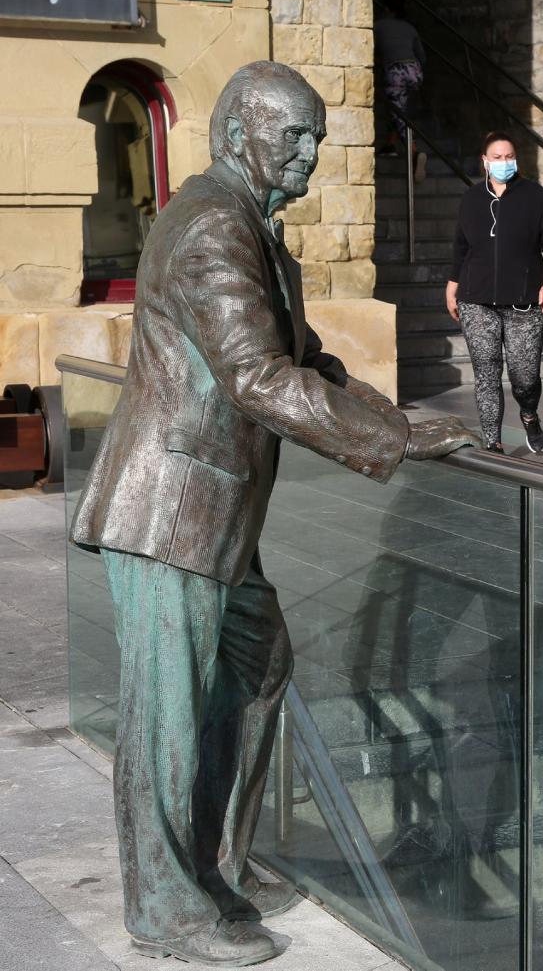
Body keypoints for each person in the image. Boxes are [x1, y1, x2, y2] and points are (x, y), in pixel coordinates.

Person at [70, 61, 474, 967]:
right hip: (172, 508)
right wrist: (391, 444)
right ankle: (167, 905)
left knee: (256, 662)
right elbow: (257, 377)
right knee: (167, 714)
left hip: (211, 512)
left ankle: (216, 863)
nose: (310, 154)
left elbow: (310, 360)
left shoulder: (251, 228)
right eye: (293, 136)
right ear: (235, 134)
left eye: (317, 138)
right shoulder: (214, 227)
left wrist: (396, 419)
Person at [445, 131, 543, 454]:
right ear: (485, 161)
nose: (504, 162)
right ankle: (492, 444)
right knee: (486, 371)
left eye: (509, 156)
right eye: (497, 157)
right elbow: (461, 247)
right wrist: (453, 284)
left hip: (525, 303)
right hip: (476, 300)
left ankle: (528, 412)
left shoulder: (534, 196)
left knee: (525, 377)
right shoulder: (471, 198)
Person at [374, 0, 427, 180]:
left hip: (396, 71)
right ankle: (390, 144)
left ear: (387, 9)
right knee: (398, 110)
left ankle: (414, 153)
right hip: (414, 70)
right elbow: (421, 55)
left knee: (398, 113)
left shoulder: (378, 27)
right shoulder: (409, 27)